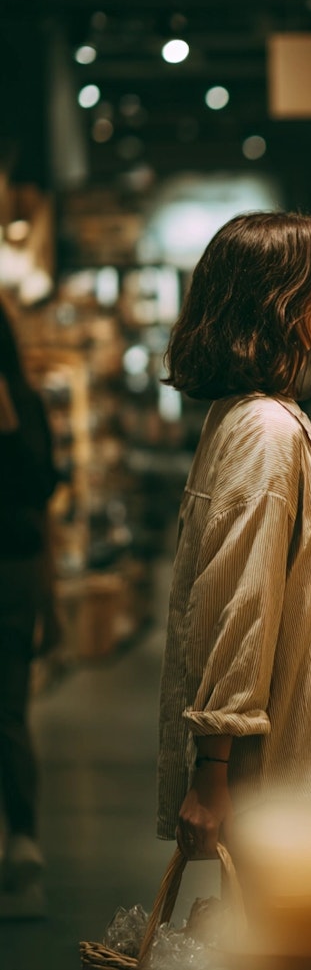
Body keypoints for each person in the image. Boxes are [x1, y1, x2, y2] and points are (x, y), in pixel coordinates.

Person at [156, 211, 311, 860]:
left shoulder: (245, 415)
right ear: (282, 301)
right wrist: (211, 771)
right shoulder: (267, 433)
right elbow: (238, 603)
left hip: (275, 767)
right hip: (267, 778)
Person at [0, 296, 60, 920]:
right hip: (16, 573)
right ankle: (22, 840)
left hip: (13, 572)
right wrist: (52, 597)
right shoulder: (30, 401)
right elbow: (43, 507)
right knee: (10, 712)